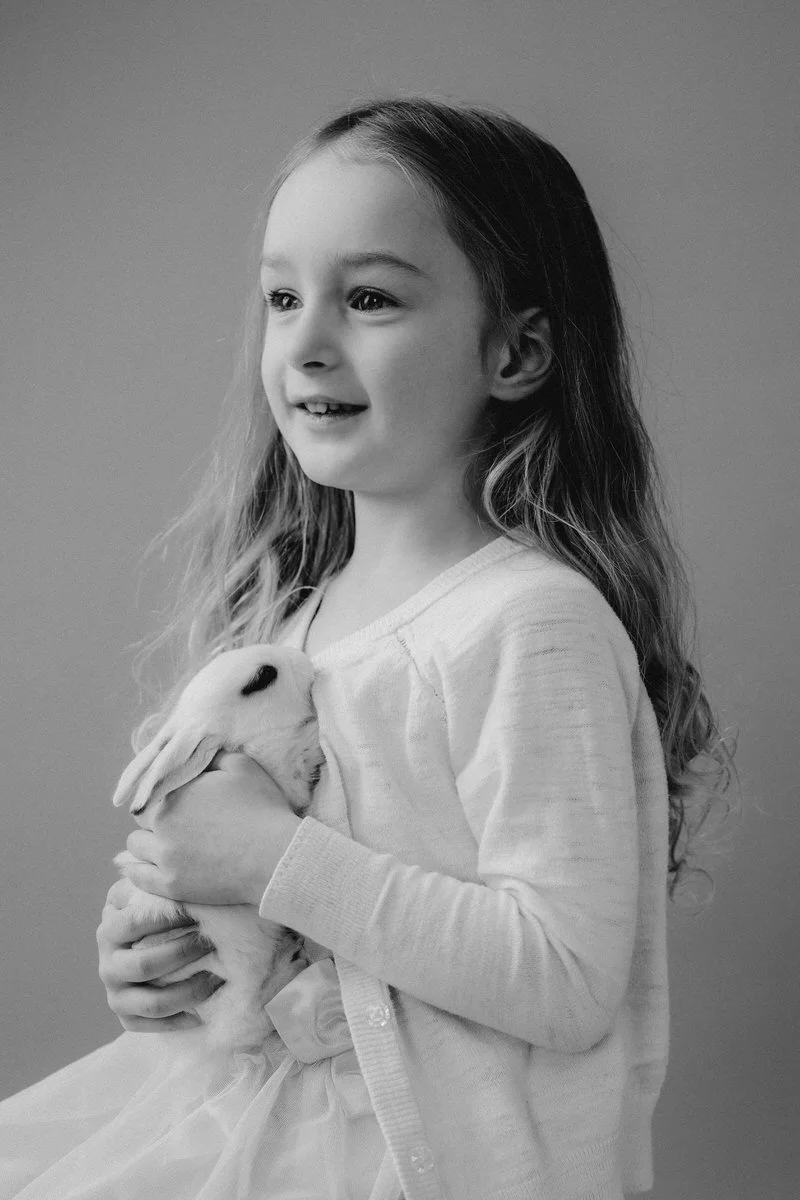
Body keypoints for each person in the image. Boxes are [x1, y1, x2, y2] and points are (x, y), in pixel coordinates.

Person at [0, 95, 738, 1200]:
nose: (304, 343)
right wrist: (164, 954)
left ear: (516, 351)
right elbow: (276, 926)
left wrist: (270, 860)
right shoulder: (291, 624)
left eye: (370, 298)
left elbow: (565, 979)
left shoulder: (530, 624)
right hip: (256, 1139)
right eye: (282, 298)